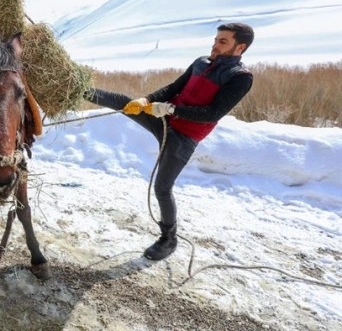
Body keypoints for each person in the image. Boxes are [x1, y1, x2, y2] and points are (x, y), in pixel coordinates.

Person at [85, 23, 254, 261]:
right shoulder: (201, 62)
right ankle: (75, 88)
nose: (215, 44)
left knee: (162, 188)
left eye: (222, 41)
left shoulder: (240, 78)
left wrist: (170, 108)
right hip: (164, 118)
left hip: (185, 136)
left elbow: (213, 113)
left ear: (240, 47)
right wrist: (147, 100)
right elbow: (174, 87)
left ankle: (168, 239)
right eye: (215, 39)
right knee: (125, 103)